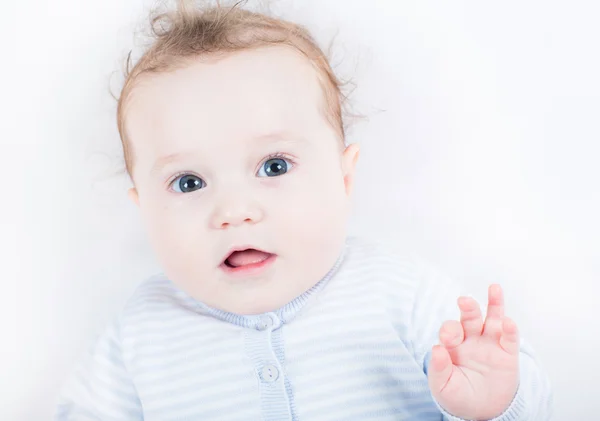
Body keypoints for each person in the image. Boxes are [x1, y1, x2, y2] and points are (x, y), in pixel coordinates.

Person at [55, 1, 553, 420]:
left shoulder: (397, 291)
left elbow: (531, 403)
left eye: (274, 167)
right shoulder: (140, 331)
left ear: (343, 178)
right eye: (189, 182)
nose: (235, 210)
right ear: (144, 209)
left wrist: (491, 400)